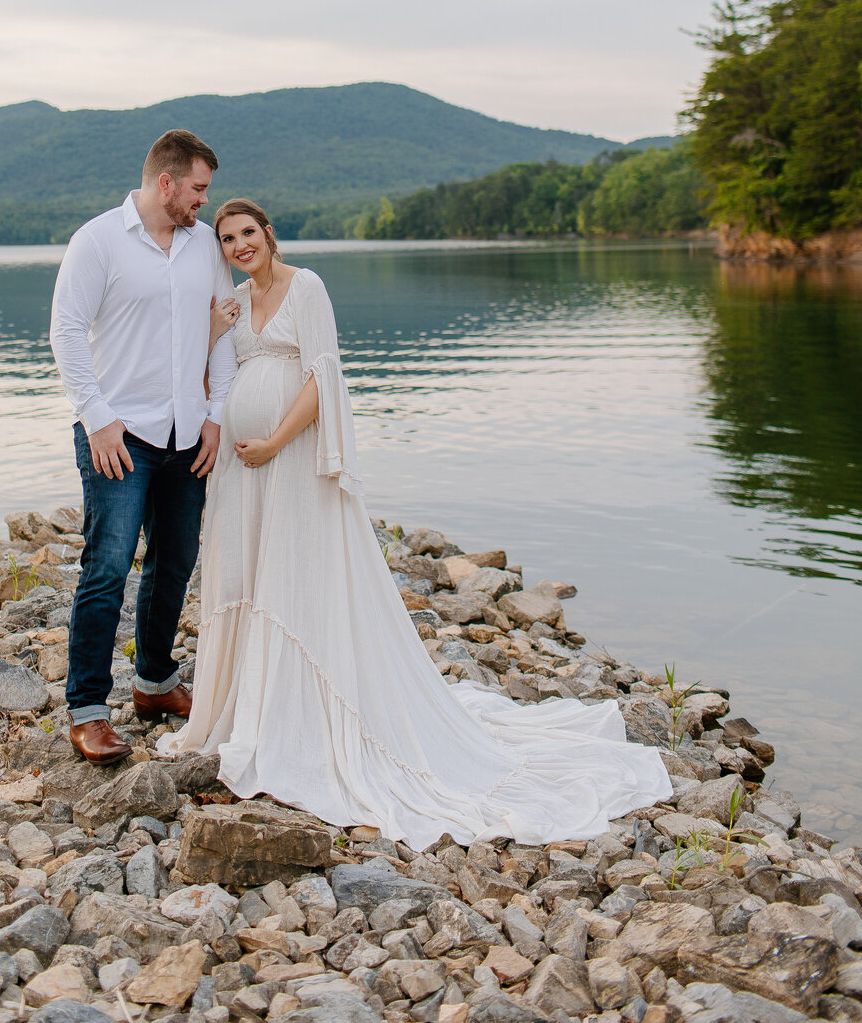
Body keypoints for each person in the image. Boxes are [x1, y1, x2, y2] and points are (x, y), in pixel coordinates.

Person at [160, 197, 673, 846]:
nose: (239, 244)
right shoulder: (233, 302)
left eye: (247, 232)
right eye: (227, 238)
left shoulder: (305, 287)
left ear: (268, 233)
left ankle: (309, 720)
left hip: (286, 465)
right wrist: (214, 332)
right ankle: (252, 713)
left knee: (298, 581)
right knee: (254, 582)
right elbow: (217, 370)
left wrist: (275, 442)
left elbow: (324, 378)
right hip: (243, 476)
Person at [49, 130, 239, 764]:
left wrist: (215, 416)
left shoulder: (201, 248)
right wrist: (97, 419)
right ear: (167, 183)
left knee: (176, 561)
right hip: (119, 435)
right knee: (106, 567)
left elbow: (220, 333)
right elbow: (67, 331)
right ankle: (89, 709)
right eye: (198, 189)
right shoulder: (97, 241)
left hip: (189, 434)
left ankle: (155, 683)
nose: (203, 203)